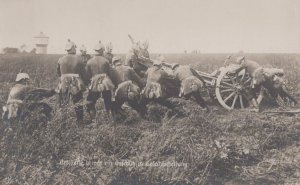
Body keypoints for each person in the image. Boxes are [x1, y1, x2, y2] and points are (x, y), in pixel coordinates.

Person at [56, 39, 87, 123]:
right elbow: (83, 72)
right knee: (78, 103)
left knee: (63, 103)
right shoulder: (79, 59)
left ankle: (63, 122)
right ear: (73, 48)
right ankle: (80, 121)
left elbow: (58, 73)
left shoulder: (60, 59)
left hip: (63, 83)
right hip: (76, 83)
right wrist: (86, 83)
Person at [85, 41, 116, 121]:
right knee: (108, 100)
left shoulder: (89, 61)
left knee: (90, 101)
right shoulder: (105, 61)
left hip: (94, 82)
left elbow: (87, 75)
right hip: (106, 82)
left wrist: (89, 84)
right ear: (102, 50)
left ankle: (93, 120)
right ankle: (110, 119)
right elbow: (110, 73)